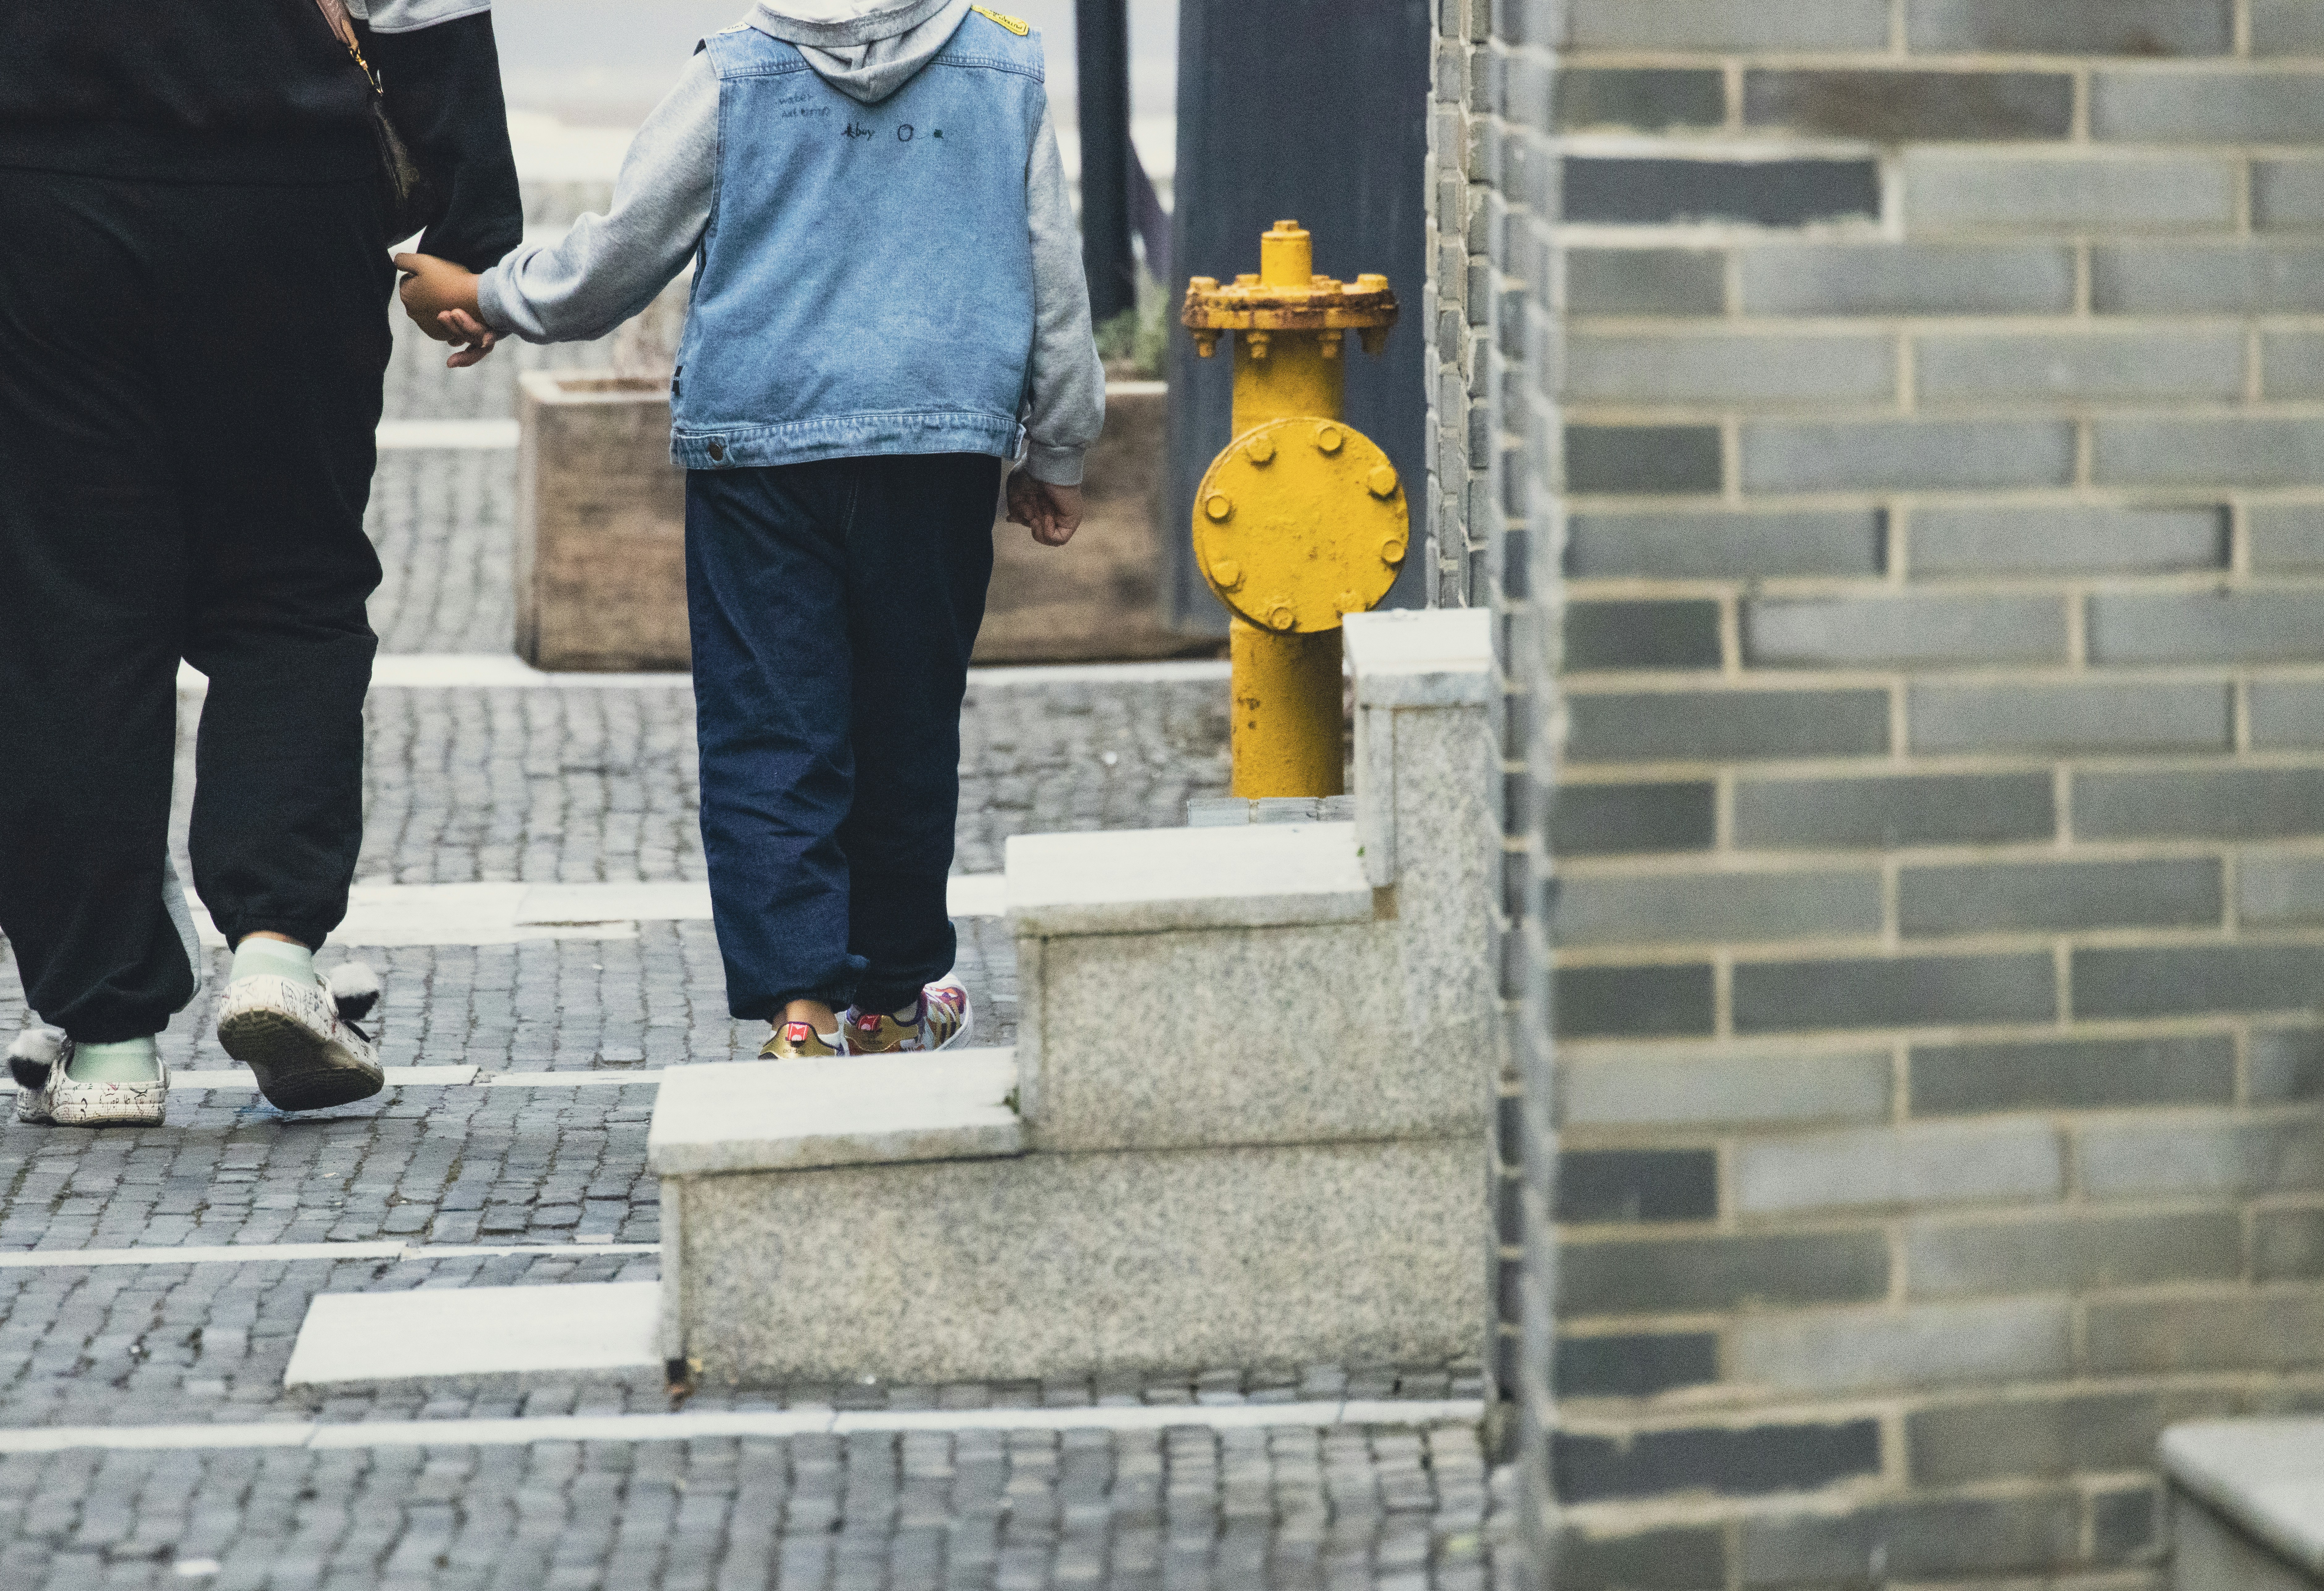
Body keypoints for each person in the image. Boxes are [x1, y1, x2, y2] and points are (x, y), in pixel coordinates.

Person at [395, 0, 1102, 1060]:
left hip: (760, 445)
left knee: (771, 724)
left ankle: (801, 1010)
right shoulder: (1003, 63)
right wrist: (1059, 449)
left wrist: (493, 297)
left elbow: (621, 254)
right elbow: (1054, 280)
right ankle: (896, 998)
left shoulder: (735, 71)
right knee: (909, 719)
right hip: (935, 447)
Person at [0, 0, 522, 1125]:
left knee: (67, 614)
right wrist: (474, 228)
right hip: (287, 198)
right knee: (292, 589)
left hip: (42, 198)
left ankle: (105, 1039)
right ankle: (278, 953)